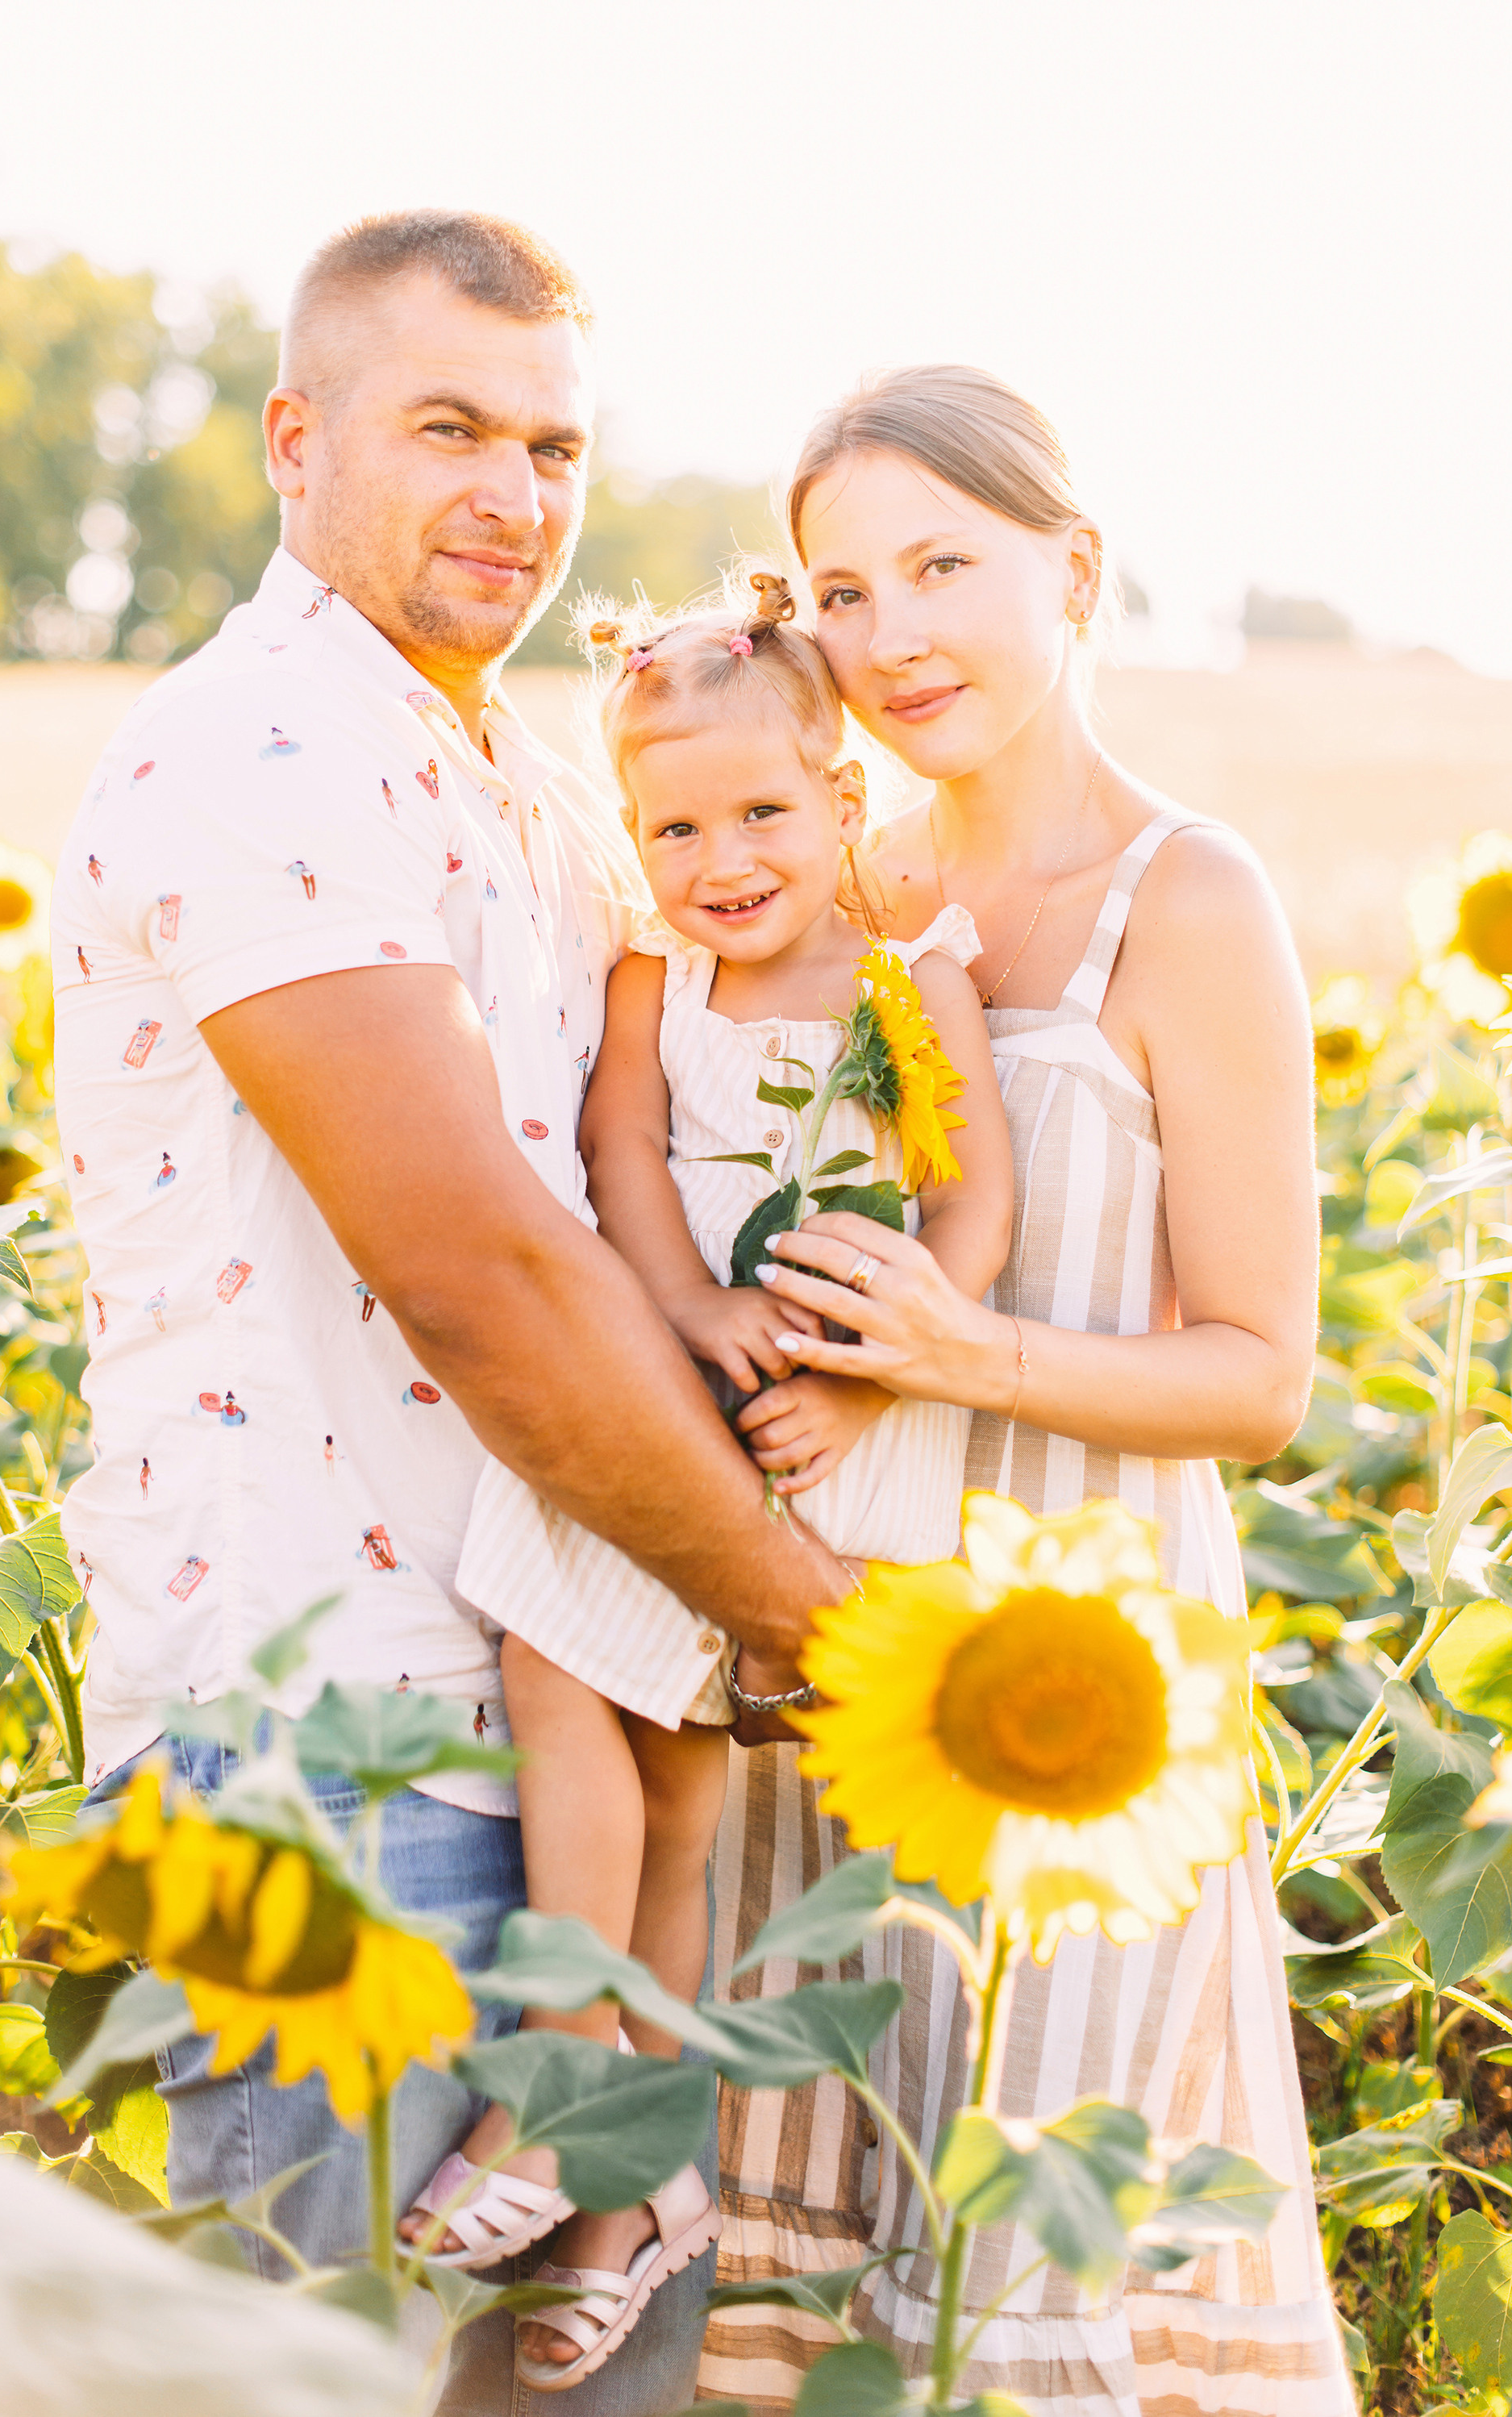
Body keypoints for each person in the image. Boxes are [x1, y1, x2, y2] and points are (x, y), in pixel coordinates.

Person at [52, 209, 851, 2416]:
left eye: (555, 445)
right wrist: (808, 1613)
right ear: (297, 444)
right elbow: (486, 1277)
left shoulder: (524, 786)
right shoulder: (262, 752)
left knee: (576, 2380)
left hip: (561, 1708)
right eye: (451, 430)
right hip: (307, 1744)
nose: (516, 491)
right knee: (338, 2378)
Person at [698, 366, 1352, 2415]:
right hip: (822, 1664)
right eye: (843, 589)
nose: (890, 637)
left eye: (940, 566)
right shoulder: (817, 879)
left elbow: (1258, 1378)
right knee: (793, 2268)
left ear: (1073, 566)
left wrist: (958, 1350)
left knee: (1023, 2270)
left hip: (1082, 1696)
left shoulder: (1193, 899)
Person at [401, 570, 1013, 2389]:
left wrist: (874, 1363)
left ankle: (571, 2107)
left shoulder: (908, 984)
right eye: (672, 824)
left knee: (617, 1738)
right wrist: (680, 1303)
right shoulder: (658, 975)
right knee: (622, 1756)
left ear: (842, 803)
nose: (718, 855)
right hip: (680, 1381)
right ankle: (625, 2181)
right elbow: (626, 1160)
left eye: (760, 812)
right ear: (630, 838)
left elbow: (966, 1198)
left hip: (833, 1425)